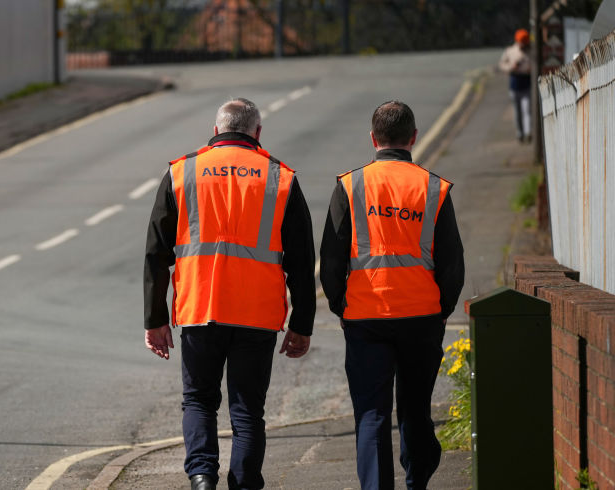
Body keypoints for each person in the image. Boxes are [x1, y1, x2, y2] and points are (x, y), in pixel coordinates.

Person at [144, 98, 316, 490]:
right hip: (257, 314)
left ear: (217, 129)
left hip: (200, 307)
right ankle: (244, 482)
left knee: (199, 400)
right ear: (257, 133)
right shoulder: (280, 177)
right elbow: (303, 261)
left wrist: (154, 319)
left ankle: (202, 477)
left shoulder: (182, 172)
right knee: (247, 411)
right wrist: (301, 324)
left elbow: (156, 253)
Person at [319, 101, 464, 490]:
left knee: (372, 413)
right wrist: (441, 308)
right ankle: (417, 480)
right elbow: (452, 263)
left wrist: (341, 305)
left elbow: (331, 261)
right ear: (413, 138)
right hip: (421, 316)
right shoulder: (433, 187)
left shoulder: (350, 186)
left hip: (366, 316)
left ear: (373, 138)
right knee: (416, 408)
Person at [498, 28, 533, 143]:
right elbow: (502, 65)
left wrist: (530, 69)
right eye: (521, 41)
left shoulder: (531, 52)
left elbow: (535, 65)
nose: (523, 44)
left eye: (525, 41)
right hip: (514, 84)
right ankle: (520, 133)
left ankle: (528, 133)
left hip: (527, 84)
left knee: (527, 110)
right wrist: (511, 68)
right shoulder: (510, 51)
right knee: (517, 112)